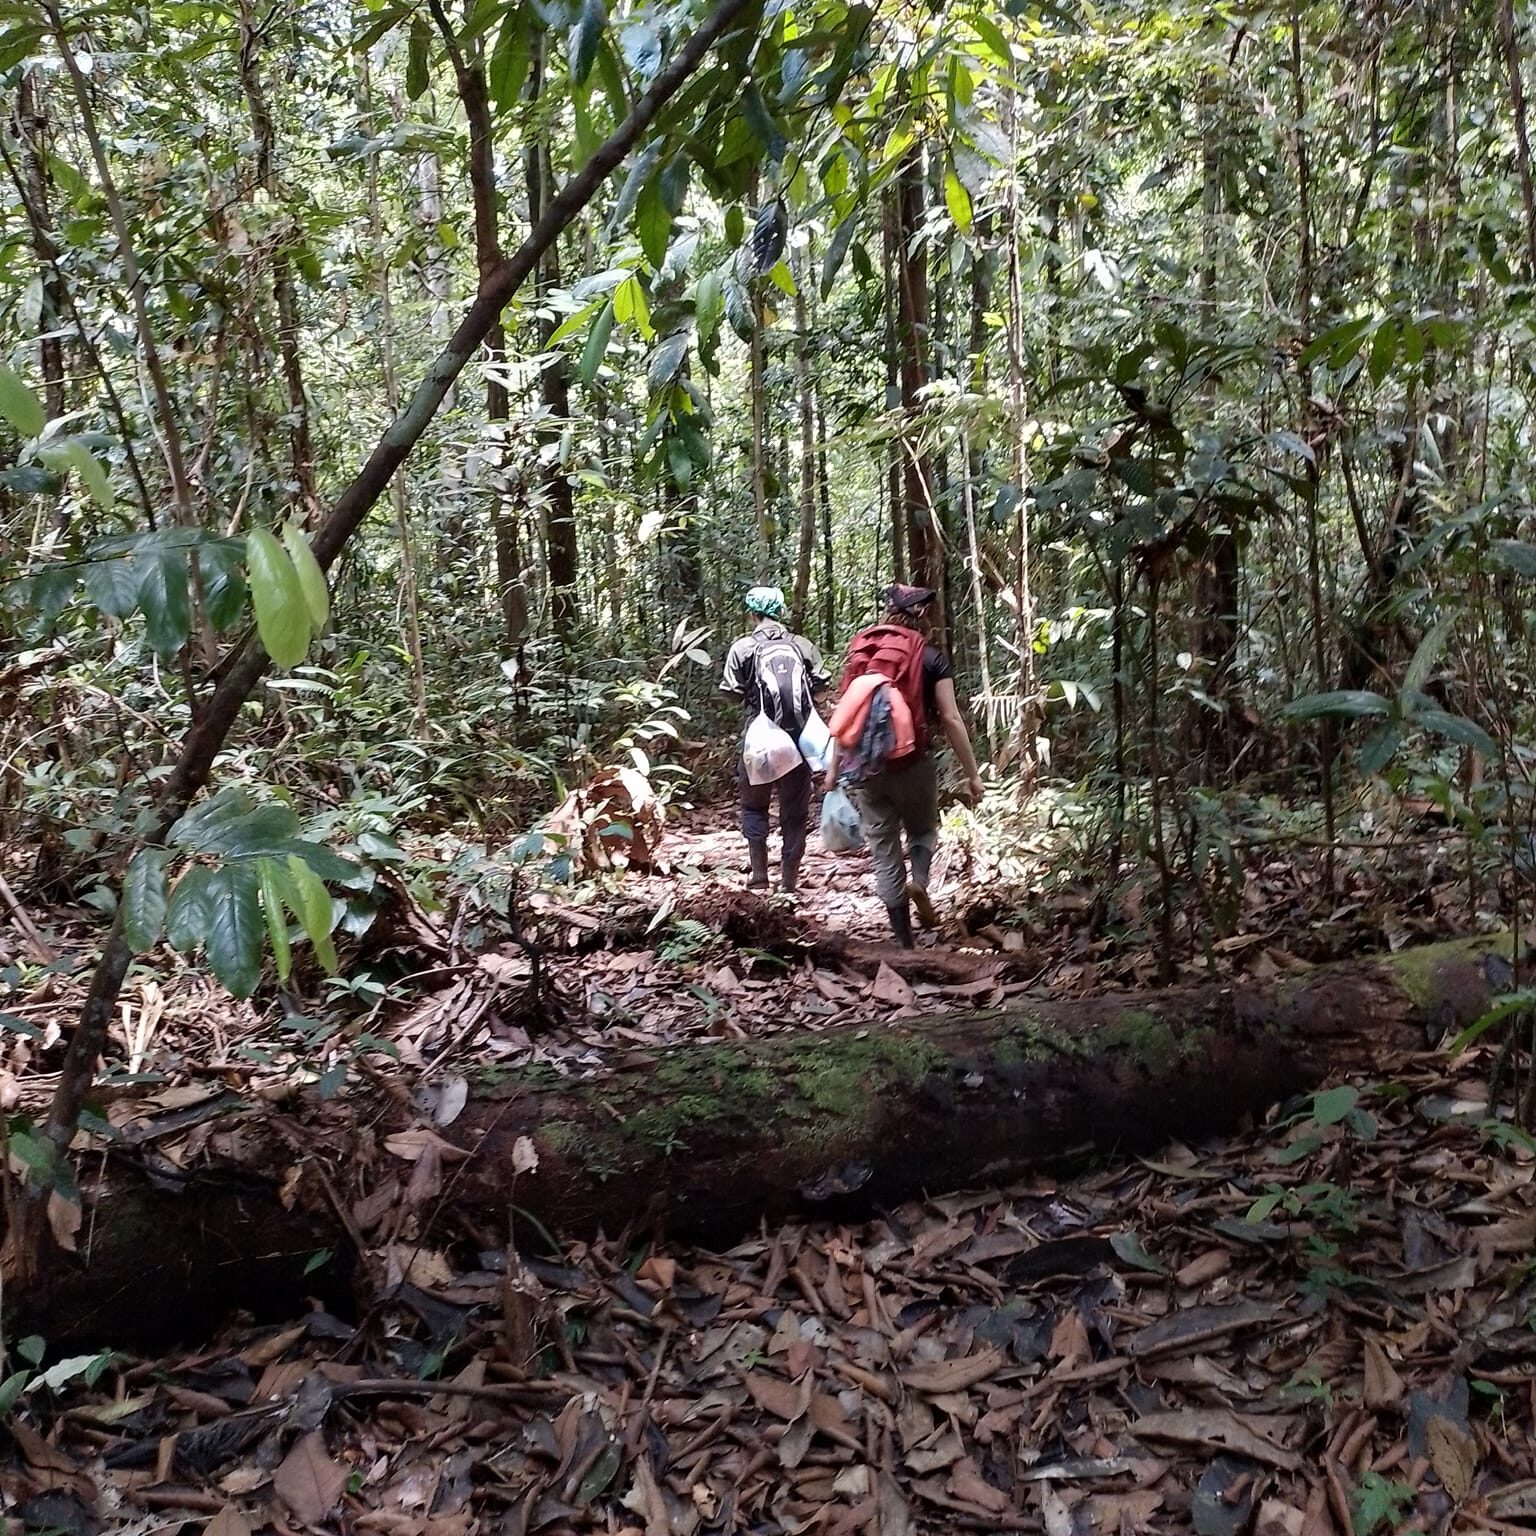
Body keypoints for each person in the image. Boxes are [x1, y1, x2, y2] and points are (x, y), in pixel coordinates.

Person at [824, 583, 984, 947]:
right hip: (913, 763)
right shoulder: (930, 657)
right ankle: (921, 882)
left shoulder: (862, 654)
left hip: (866, 768)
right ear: (920, 615)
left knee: (883, 848)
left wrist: (833, 772)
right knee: (923, 830)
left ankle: (904, 942)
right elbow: (950, 717)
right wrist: (972, 775)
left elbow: (846, 716)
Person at [720, 585, 830, 895]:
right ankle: (789, 883)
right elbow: (821, 689)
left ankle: (758, 876)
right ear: (780, 611)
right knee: (794, 814)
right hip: (796, 740)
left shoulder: (742, 648)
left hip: (760, 737)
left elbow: (730, 693)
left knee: (754, 807)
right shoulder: (803, 645)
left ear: (752, 613)